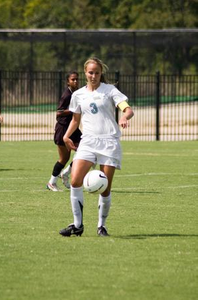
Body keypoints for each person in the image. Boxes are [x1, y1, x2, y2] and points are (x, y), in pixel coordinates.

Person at [59, 57, 134, 237]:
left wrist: (124, 117)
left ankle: (101, 226)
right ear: (85, 73)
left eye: (97, 73)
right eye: (90, 72)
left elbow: (127, 108)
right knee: (75, 181)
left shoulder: (110, 91)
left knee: (105, 187)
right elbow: (76, 120)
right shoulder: (78, 95)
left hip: (109, 141)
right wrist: (66, 135)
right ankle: (77, 225)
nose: (93, 76)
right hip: (88, 141)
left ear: (101, 74)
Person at [47, 71, 82, 192]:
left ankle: (66, 173)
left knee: (85, 150)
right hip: (63, 129)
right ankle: (51, 183)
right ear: (68, 81)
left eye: (77, 79)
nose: (75, 81)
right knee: (64, 158)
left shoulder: (76, 93)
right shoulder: (67, 95)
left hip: (73, 129)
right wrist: (73, 110)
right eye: (73, 79)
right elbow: (59, 112)